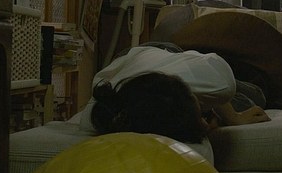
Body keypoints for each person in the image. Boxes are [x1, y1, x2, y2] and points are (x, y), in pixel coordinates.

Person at [80, 42, 270, 144]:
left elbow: (204, 64)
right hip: (131, 68)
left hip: (149, 52)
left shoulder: (218, 82)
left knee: (256, 97)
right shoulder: (103, 116)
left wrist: (233, 118)